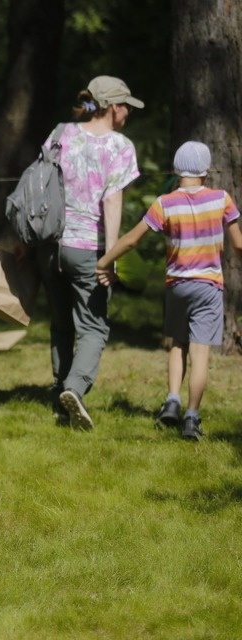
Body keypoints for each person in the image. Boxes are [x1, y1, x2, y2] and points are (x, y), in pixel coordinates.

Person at [96, 141, 242, 441]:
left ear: (177, 170)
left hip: (177, 286)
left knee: (178, 344)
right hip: (208, 286)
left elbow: (132, 240)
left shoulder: (164, 203)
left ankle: (172, 400)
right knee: (200, 352)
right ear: (205, 170)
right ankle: (192, 416)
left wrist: (104, 261)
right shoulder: (221, 199)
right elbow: (239, 244)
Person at [32, 76, 143, 431]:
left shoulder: (61, 132)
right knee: (94, 328)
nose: (128, 112)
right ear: (112, 107)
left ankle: (58, 401)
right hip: (86, 250)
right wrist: (110, 257)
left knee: (62, 325)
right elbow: (112, 199)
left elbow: (38, 184)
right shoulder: (119, 146)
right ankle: (75, 389)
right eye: (125, 105)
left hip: (51, 245)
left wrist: (24, 239)